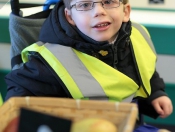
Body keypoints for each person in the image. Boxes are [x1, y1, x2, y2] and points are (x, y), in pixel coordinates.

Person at [5, 0, 172, 124]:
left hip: (129, 123)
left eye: (108, 1)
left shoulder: (137, 35)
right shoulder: (50, 61)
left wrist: (156, 93)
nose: (98, 11)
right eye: (84, 5)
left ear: (126, 11)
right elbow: (20, 94)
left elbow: (145, 69)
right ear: (70, 17)